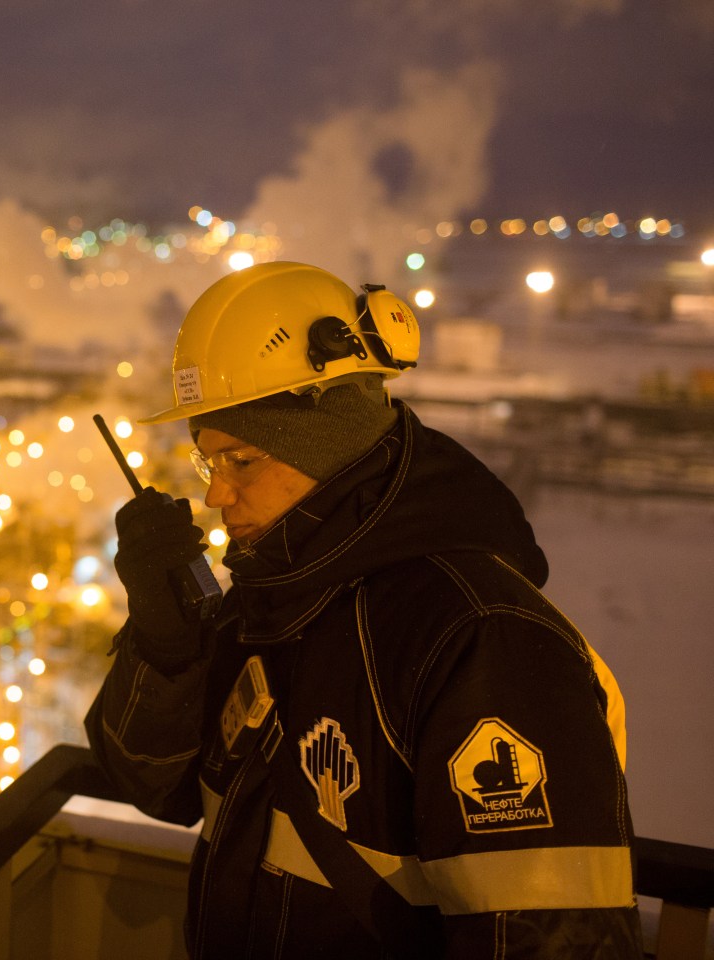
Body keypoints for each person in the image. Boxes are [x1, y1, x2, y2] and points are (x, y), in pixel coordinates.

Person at [84, 261, 640, 958]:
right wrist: (167, 649)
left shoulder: (477, 638)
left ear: (330, 443)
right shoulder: (275, 599)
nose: (214, 497)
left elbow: (557, 942)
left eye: (242, 461)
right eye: (207, 463)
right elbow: (154, 789)